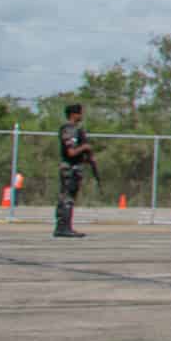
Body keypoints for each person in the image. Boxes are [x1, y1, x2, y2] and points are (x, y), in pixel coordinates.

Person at [53, 102, 99, 239]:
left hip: (74, 168)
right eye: (79, 113)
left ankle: (64, 227)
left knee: (68, 198)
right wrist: (85, 147)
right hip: (70, 169)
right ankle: (63, 228)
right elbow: (71, 152)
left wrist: (87, 159)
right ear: (73, 114)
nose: (81, 115)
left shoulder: (76, 130)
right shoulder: (69, 129)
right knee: (67, 199)